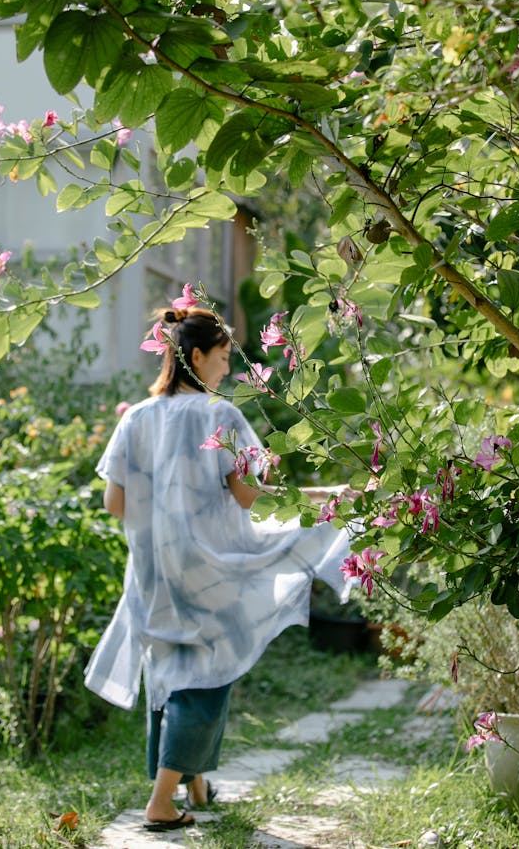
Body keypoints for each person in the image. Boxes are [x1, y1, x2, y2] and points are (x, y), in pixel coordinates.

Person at [84, 304, 352, 832]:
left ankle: (195, 784)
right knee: (206, 677)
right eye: (225, 358)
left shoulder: (135, 417)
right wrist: (328, 496)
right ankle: (162, 801)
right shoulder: (219, 416)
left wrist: (164, 512)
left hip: (154, 569)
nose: (228, 370)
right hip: (208, 562)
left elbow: (115, 505)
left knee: (171, 669)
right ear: (198, 356)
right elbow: (249, 497)